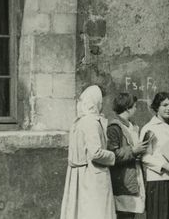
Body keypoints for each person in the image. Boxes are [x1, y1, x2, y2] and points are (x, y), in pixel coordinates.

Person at [61, 85, 117, 219]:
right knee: (97, 211)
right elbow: (95, 153)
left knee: (82, 211)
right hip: (92, 175)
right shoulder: (91, 122)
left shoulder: (78, 122)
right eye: (100, 102)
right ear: (95, 102)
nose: (102, 105)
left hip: (80, 174)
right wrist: (112, 155)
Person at [108, 92, 148, 218]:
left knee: (131, 214)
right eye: (134, 106)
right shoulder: (114, 127)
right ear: (127, 108)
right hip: (123, 178)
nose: (136, 109)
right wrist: (133, 150)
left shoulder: (133, 126)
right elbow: (112, 154)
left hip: (135, 175)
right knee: (124, 214)